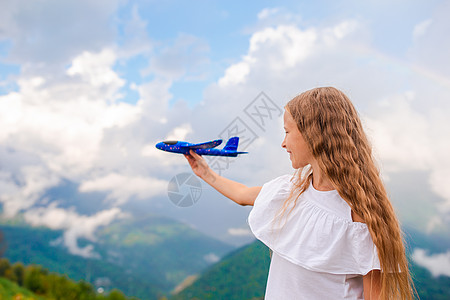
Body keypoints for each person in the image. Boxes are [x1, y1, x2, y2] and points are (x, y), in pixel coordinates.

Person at [184, 87, 414, 299]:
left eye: (287, 132)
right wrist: (205, 173)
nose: (283, 144)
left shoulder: (359, 217)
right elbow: (242, 194)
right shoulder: (290, 190)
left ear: (314, 134)